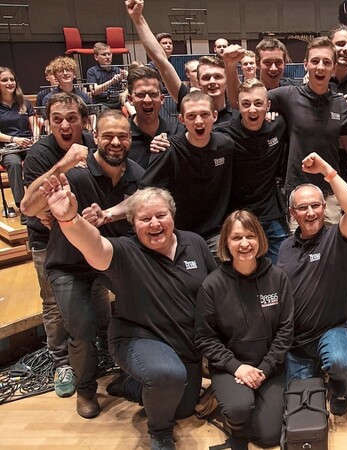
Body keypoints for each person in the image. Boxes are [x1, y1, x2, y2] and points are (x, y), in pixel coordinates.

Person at [42, 182, 216, 450]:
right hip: (139, 338)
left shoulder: (194, 243)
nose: (154, 223)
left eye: (161, 215)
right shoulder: (124, 251)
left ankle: (132, 386)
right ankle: (160, 433)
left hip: (185, 343)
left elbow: (214, 292)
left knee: (183, 408)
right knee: (167, 375)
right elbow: (93, 244)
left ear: (173, 215)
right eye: (144, 219)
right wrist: (69, 219)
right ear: (133, 224)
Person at [41, 110, 143, 419]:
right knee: (83, 330)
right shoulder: (77, 174)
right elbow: (35, 207)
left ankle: (133, 373)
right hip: (69, 266)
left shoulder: (136, 174)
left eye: (122, 136)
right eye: (108, 135)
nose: (115, 142)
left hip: (109, 259)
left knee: (143, 309)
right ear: (95, 136)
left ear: (130, 140)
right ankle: (85, 389)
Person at [195, 210, 293, 449]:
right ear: (226, 243)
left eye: (250, 236)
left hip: (269, 367)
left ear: (260, 238)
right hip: (231, 367)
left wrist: (265, 368)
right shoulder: (212, 285)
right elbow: (205, 338)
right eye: (236, 238)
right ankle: (232, 412)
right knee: (239, 409)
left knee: (269, 437)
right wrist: (237, 367)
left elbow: (286, 330)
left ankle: (243, 405)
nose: (245, 243)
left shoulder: (278, 278)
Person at [20, 92, 96, 401]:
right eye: (57, 120)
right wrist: (65, 164)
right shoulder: (41, 153)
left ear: (84, 121)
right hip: (47, 241)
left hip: (84, 235)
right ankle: (62, 363)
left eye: (72, 119)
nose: (65, 125)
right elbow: (30, 206)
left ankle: (95, 356)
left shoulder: (94, 143)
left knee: (97, 298)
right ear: (48, 123)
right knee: (53, 305)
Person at [277, 152, 347, 416]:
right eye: (302, 208)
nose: (310, 212)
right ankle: (315, 372)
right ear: (293, 214)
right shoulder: (283, 249)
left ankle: (340, 386)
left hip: (332, 329)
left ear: (325, 208)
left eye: (315, 205)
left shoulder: (336, 236)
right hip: (298, 343)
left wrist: (327, 170)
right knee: (299, 412)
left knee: (340, 362)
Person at [267, 37, 347, 225]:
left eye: (326, 62)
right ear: (306, 64)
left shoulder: (341, 103)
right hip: (298, 192)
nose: (320, 67)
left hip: (330, 193)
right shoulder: (287, 96)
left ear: (333, 68)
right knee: (301, 250)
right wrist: (267, 114)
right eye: (315, 61)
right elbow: (250, 101)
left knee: (331, 249)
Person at [142, 90, 235, 250]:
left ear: (214, 116)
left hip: (216, 234)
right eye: (191, 116)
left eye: (204, 114)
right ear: (181, 119)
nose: (199, 121)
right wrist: (109, 214)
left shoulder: (226, 145)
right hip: (179, 235)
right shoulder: (168, 149)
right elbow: (146, 193)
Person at [216, 79, 289, 262]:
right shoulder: (223, 135)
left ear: (268, 105)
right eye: (246, 104)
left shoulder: (278, 126)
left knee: (280, 269)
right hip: (238, 216)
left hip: (271, 213)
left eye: (258, 103)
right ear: (238, 106)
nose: (253, 110)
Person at [127, 0, 234, 125]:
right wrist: (138, 17)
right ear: (198, 82)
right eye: (206, 77)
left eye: (217, 76)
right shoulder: (188, 101)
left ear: (227, 79)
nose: (212, 82)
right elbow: (160, 60)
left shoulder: (239, 106)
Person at [125, 66, 181, 169]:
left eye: (153, 94)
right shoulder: (122, 138)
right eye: (140, 95)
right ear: (130, 99)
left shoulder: (178, 132)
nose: (147, 100)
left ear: (162, 99)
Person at [0, 66, 35, 222]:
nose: (9, 83)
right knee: (14, 164)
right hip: (7, 147)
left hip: (27, 144)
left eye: (12, 79)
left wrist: (35, 137)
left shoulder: (24, 102)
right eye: (4, 80)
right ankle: (23, 206)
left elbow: (33, 124)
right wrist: (14, 140)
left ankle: (37, 201)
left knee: (36, 160)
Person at [87, 42, 126, 111]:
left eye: (109, 54)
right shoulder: (92, 71)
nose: (107, 57)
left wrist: (126, 76)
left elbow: (130, 84)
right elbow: (94, 91)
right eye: (104, 55)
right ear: (96, 57)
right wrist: (112, 81)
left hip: (118, 101)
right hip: (102, 103)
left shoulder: (117, 69)